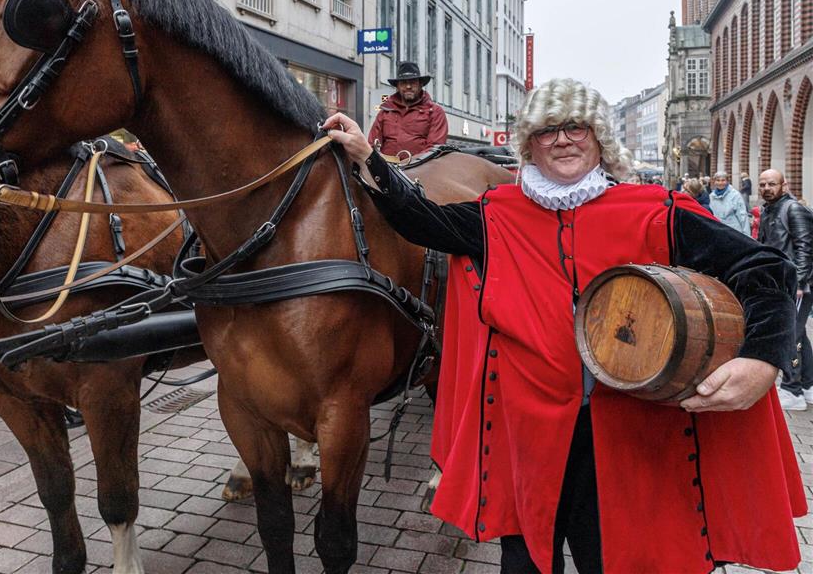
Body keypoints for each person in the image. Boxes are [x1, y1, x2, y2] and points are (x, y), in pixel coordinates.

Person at [324, 78, 804, 573]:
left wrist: (762, 359)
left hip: (626, 440)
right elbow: (418, 219)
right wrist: (368, 157)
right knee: (525, 563)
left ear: (598, 137)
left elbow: (765, 268)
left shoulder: (652, 210)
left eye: (576, 127)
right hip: (527, 443)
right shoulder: (496, 215)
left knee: (612, 560)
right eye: (547, 130)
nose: (562, 140)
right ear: (529, 144)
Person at [758, 169, 813, 411]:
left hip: (797, 284)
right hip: (780, 281)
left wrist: (799, 283)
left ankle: (793, 390)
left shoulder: (793, 209)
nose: (766, 188)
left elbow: (805, 248)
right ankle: (808, 385)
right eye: (763, 184)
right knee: (798, 333)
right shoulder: (769, 210)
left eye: (772, 184)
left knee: (790, 334)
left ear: (784, 185)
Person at [367, 61, 448, 157]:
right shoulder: (385, 112)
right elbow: (372, 144)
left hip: (423, 166)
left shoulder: (435, 112)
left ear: (420, 85)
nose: (408, 86)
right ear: (397, 86)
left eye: (412, 82)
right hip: (387, 165)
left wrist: (411, 163)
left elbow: (435, 148)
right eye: (403, 83)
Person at [708, 170, 750, 235]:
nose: (720, 183)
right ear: (714, 182)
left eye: (723, 180)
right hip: (718, 232)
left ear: (727, 181)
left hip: (734, 232)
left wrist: (746, 235)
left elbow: (742, 216)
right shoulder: (711, 197)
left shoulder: (735, 195)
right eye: (718, 180)